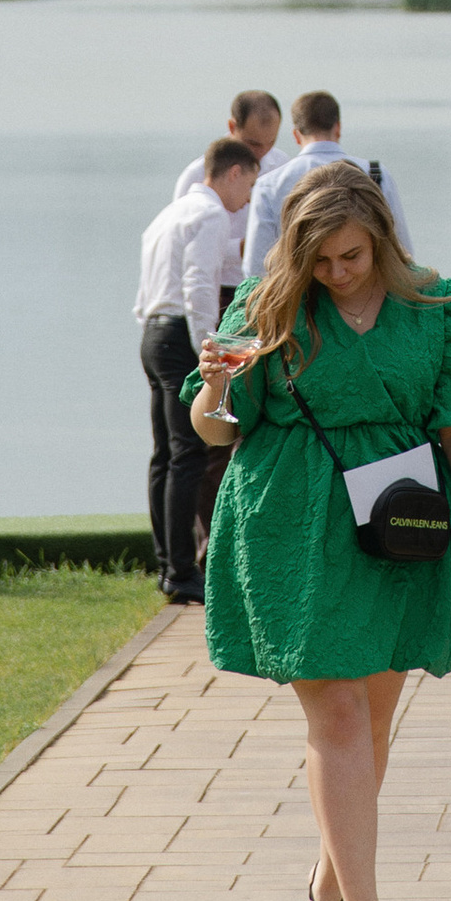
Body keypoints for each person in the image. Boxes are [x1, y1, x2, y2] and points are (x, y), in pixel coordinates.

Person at [189, 164, 451, 901]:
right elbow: (214, 426)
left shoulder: (436, 305)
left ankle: (327, 892)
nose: (337, 273)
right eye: (321, 260)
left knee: (371, 717)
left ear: (381, 238)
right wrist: (218, 382)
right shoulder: (267, 304)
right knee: (335, 714)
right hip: (291, 528)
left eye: (352, 257)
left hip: (400, 524)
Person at [135, 135, 260, 599]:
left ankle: (169, 565)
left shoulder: (166, 215)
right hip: (183, 335)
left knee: (164, 455)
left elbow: (148, 289)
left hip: (152, 331)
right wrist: (212, 350)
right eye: (248, 185)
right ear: (234, 172)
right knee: (187, 455)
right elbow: (200, 285)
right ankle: (183, 572)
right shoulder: (209, 215)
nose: (246, 199)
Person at [241, 90, 410, 278]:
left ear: (296, 135)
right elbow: (402, 250)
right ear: (338, 127)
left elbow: (256, 267)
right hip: (366, 296)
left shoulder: (269, 184)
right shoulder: (376, 173)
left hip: (299, 298)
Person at [174, 89, 284, 199]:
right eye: (253, 144)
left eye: (271, 142)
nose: (263, 152)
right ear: (232, 127)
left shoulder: (283, 166)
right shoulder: (196, 176)